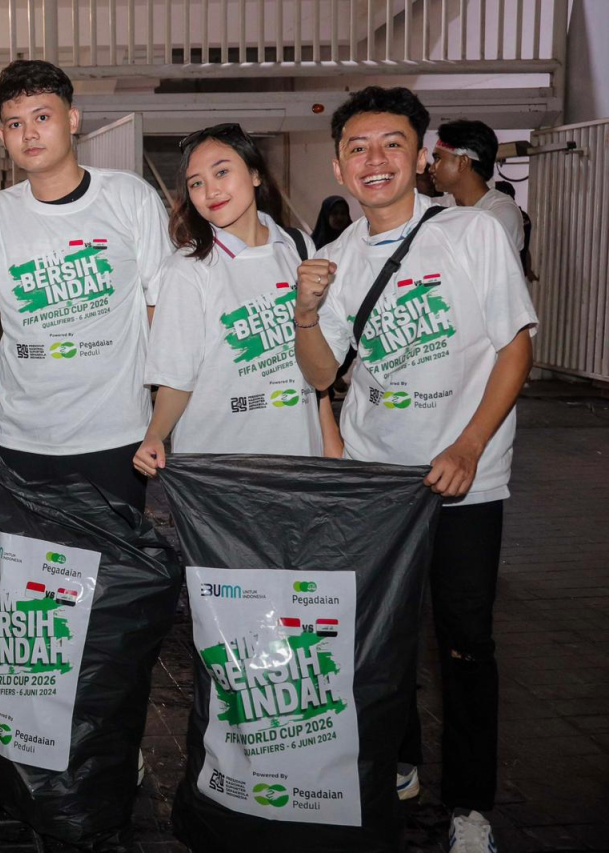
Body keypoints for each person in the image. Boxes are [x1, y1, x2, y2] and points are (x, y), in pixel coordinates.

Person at [292, 86, 537, 853]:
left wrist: (467, 446)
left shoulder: (471, 234)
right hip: (377, 482)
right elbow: (322, 371)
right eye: (359, 147)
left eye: (393, 143)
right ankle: (398, 765)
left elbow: (515, 347)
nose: (375, 160)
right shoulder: (331, 259)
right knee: (381, 635)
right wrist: (304, 313)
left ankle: (470, 805)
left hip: (468, 476)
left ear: (421, 155)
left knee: (465, 640)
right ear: (339, 162)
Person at [0, 59, 172, 511]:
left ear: (73, 120)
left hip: (114, 433)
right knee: (30, 578)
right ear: (3, 136)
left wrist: (159, 422)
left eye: (43, 117)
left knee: (115, 576)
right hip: (22, 436)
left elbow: (158, 309)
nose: (30, 134)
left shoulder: (128, 197)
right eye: (15, 124)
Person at [134, 123, 343, 478]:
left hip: (299, 460)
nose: (210, 190)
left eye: (222, 172)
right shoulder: (187, 268)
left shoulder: (298, 246)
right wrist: (155, 435)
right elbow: (176, 379)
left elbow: (314, 369)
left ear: (256, 173)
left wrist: (329, 439)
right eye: (196, 182)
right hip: (218, 469)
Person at [430, 119, 525, 258]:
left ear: (462, 162)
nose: (431, 168)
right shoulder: (435, 206)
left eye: (438, 159)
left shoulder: (500, 213)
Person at [495, 180, 536, 281]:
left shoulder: (505, 216)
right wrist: (528, 269)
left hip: (508, 274)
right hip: (519, 271)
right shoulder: (523, 216)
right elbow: (524, 246)